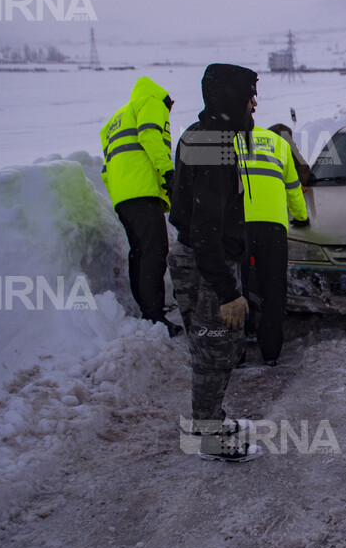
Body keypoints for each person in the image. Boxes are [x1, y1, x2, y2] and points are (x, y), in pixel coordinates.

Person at [168, 63, 262, 461]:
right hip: (208, 264)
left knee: (212, 347)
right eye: (249, 95)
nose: (254, 104)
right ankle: (207, 435)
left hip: (200, 259)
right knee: (214, 349)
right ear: (231, 98)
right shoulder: (215, 145)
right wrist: (227, 292)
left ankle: (211, 419)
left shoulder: (202, 133)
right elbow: (205, 228)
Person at [99, 76, 180, 336]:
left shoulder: (115, 120)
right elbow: (150, 136)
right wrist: (168, 174)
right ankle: (154, 316)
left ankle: (147, 309)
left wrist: (119, 194)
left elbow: (105, 169)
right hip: (142, 191)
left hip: (124, 197)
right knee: (155, 252)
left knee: (140, 252)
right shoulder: (152, 102)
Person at [237, 122, 309, 366]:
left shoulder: (229, 140)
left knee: (237, 288)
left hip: (238, 225)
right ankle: (270, 352)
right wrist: (301, 217)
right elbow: (293, 189)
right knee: (273, 289)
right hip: (273, 227)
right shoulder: (278, 143)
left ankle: (237, 350)